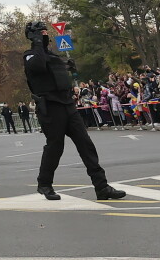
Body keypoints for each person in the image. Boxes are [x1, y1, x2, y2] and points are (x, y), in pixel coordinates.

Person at [23, 20, 125, 201]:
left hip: (67, 105)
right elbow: (38, 66)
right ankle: (44, 184)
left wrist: (67, 67)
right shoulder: (30, 55)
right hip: (51, 108)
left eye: (46, 33)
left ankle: (102, 187)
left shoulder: (52, 56)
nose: (45, 35)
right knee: (55, 146)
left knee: (86, 144)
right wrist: (38, 42)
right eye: (41, 33)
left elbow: (59, 72)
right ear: (34, 36)